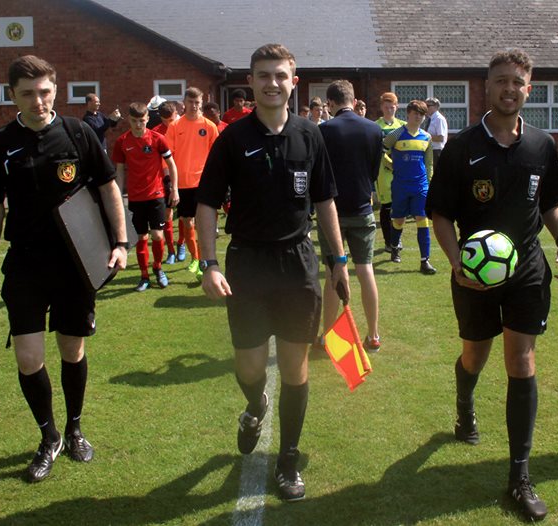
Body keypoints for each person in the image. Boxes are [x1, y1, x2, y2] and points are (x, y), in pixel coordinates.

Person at [195, 43, 350, 502]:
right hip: (247, 262)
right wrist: (209, 263)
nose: (272, 83)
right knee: (249, 367)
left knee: (296, 369)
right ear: (251, 81)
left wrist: (339, 262)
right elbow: (205, 206)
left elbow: (325, 203)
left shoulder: (310, 135)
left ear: (293, 82)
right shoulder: (232, 139)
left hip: (297, 262)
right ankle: (255, 404)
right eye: (263, 75)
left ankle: (287, 460)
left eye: (280, 75)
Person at [428, 49, 558, 521]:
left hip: (528, 268)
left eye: (517, 82)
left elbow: (550, 203)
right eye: (500, 81)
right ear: (486, 88)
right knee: (476, 354)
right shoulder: (461, 146)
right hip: (475, 275)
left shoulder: (542, 145)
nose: (509, 89)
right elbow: (441, 213)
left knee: (521, 358)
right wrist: (456, 263)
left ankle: (519, 476)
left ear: (527, 89)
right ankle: (464, 400)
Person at [0, 55, 128, 483]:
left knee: (72, 350)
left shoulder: (79, 133)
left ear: (55, 90)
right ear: (13, 95)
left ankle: (76, 426)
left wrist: (120, 243)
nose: (38, 100)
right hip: (24, 263)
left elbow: (108, 189)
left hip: (74, 263)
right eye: (28, 93)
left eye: (45, 91)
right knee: (29, 359)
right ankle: (49, 437)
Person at [317, 79, 385, 351]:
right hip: (362, 207)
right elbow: (373, 170)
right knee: (365, 268)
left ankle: (327, 336)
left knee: (333, 270)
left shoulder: (324, 130)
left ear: (330, 104)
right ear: (354, 101)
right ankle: (374, 334)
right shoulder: (373, 129)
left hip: (331, 211)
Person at [112, 103, 179, 291]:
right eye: (134, 121)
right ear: (128, 120)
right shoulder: (122, 142)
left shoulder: (158, 139)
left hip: (156, 194)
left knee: (157, 236)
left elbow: (172, 165)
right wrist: (118, 194)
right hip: (135, 197)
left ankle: (157, 267)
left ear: (147, 119)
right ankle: (144, 276)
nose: (138, 125)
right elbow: (119, 172)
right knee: (141, 238)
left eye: (142, 121)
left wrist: (174, 189)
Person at [166, 87, 219, 278]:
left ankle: (205, 259)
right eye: (190, 102)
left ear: (201, 103)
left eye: (197, 102)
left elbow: (217, 157)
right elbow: (168, 157)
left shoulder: (209, 127)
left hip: (203, 183)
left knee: (204, 224)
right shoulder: (175, 126)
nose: (194, 106)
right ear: (184, 102)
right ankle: (196, 258)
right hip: (183, 184)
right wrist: (172, 185)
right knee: (187, 223)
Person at [383, 99, 436, 274]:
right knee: (398, 220)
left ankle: (424, 261)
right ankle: (395, 246)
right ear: (408, 114)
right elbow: (381, 151)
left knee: (422, 219)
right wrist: (392, 165)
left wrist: (429, 183)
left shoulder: (426, 137)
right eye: (416, 114)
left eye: (422, 114)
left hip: (420, 186)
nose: (419, 117)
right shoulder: (396, 134)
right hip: (400, 185)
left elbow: (428, 163)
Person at [375, 92, 407, 253]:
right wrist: (389, 163)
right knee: (387, 206)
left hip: (401, 172)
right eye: (386, 107)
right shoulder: (376, 126)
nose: (389, 110)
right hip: (384, 172)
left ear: (397, 107)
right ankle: (389, 241)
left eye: (392, 107)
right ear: (381, 107)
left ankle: (397, 238)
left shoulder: (403, 126)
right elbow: (378, 151)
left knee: (400, 206)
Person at [152, 101, 181, 264]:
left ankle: (182, 243)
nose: (168, 124)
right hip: (166, 179)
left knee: (186, 216)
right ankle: (171, 250)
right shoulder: (156, 133)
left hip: (185, 176)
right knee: (168, 215)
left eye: (171, 119)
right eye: (165, 120)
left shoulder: (183, 127)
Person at [425, 97, 449, 170]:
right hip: (431, 151)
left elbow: (440, 138)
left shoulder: (439, 119)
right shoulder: (431, 118)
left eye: (428, 106)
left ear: (436, 106)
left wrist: (425, 136)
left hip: (437, 151)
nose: (426, 108)